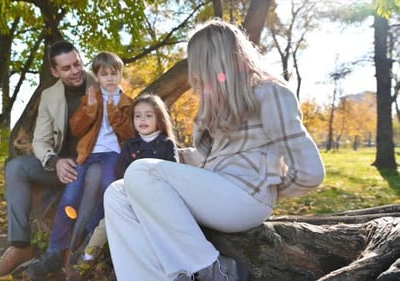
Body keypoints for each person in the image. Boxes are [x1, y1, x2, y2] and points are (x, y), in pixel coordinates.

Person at [103, 19, 326, 281]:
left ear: (214, 59)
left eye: (197, 62)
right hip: (218, 192)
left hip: (246, 199)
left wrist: (271, 189)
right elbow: (207, 160)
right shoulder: (217, 103)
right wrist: (174, 156)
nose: (194, 73)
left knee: (141, 172)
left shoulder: (271, 92)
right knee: (117, 192)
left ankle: (214, 271)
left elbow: (311, 172)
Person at [0, 40, 102, 281]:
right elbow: (40, 141)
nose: (75, 71)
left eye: (77, 63)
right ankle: (20, 246)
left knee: (97, 178)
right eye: (66, 68)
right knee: (16, 167)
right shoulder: (49, 96)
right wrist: (54, 161)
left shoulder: (100, 83)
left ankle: (77, 255)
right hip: (58, 167)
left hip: (92, 165)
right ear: (55, 71)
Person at [70, 93, 179, 279]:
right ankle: (87, 258)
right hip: (130, 196)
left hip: (158, 200)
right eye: (138, 116)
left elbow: (173, 173)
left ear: (159, 119)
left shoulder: (167, 144)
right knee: (104, 225)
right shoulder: (130, 146)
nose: (142, 120)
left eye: (148, 115)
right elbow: (121, 173)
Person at [53, 51, 134, 275]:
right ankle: (57, 247)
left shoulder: (128, 102)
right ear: (96, 77)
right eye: (103, 74)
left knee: (109, 189)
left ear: (120, 75)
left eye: (114, 74)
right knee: (70, 195)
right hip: (87, 154)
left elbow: (129, 133)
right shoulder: (91, 97)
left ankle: (92, 234)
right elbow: (76, 129)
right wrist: (89, 109)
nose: (109, 78)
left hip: (113, 154)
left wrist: (114, 112)